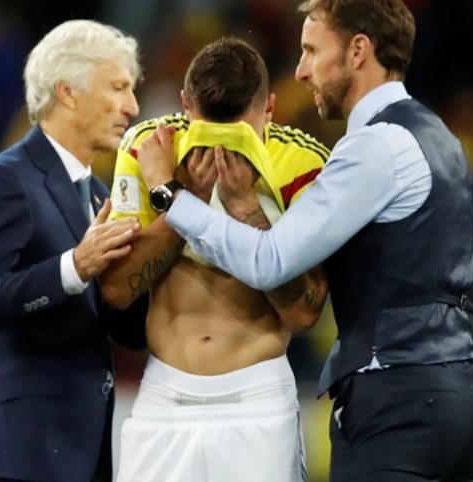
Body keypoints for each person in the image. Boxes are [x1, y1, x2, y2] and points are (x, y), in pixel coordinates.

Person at [136, 1, 473, 481]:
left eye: (311, 51)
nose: (301, 72)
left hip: (397, 399)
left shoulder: (373, 146)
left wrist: (171, 196)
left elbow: (270, 262)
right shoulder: (438, 136)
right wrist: (245, 205)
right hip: (459, 387)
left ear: (358, 51)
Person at [100, 37, 329, 482]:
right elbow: (116, 289)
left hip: (257, 399)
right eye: (209, 130)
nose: (222, 149)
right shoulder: (148, 149)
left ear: (269, 110)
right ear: (185, 105)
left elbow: (304, 313)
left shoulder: (303, 164)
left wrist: (246, 207)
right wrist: (186, 199)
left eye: (237, 133)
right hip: (164, 399)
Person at [0, 20, 148, 482]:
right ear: (68, 92)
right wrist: (74, 267)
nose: (133, 106)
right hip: (19, 451)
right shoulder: (4, 179)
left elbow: (121, 326)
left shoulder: (102, 195)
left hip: (82, 450)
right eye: (119, 87)